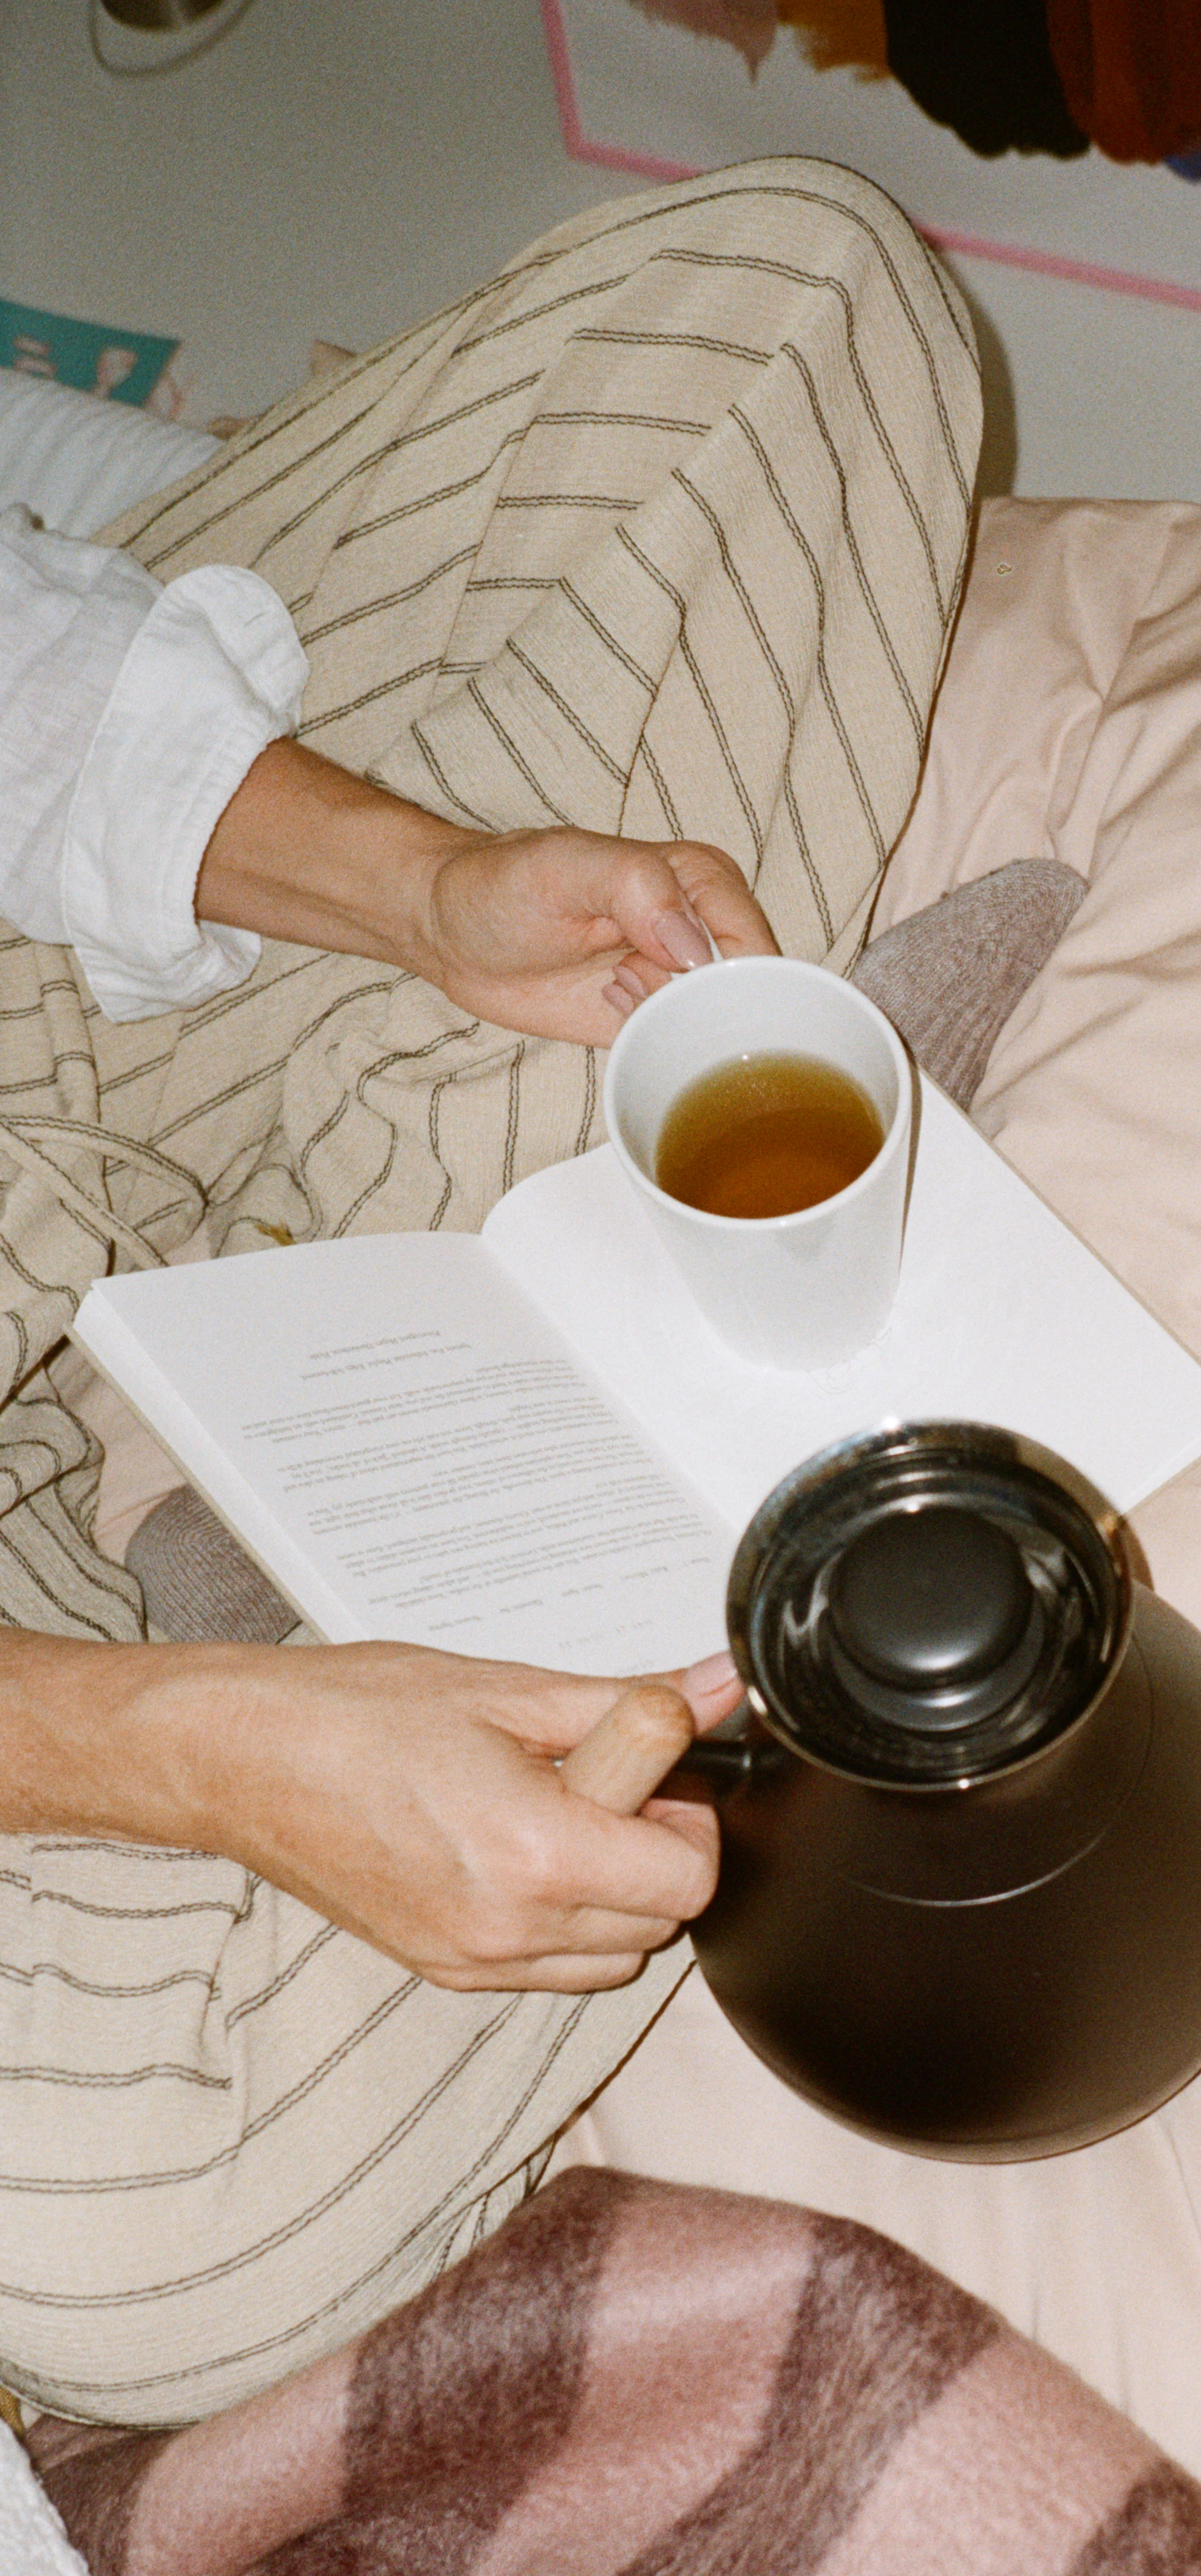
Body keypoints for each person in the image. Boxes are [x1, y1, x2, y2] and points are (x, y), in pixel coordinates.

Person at [0, 160, 982, 2425]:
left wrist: (410, 882)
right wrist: (173, 1751)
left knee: (800, 294)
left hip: (56, 1006)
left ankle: (429, 1281)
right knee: (151, 2229)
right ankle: (546, 1546)